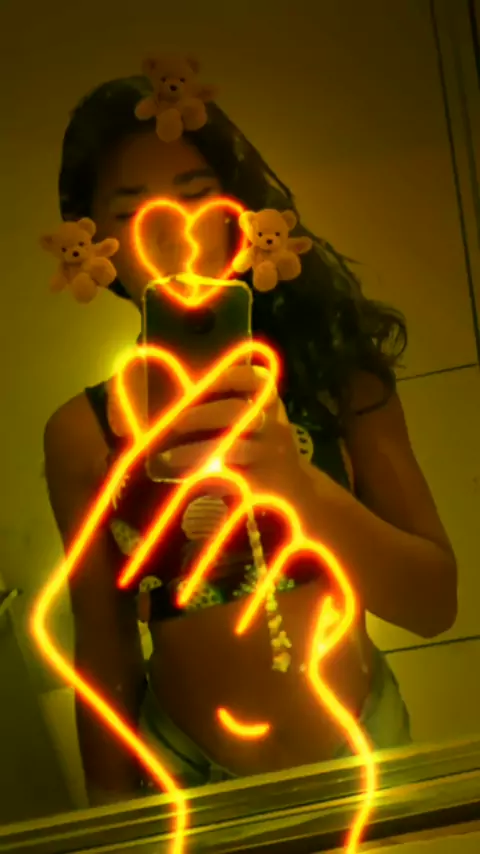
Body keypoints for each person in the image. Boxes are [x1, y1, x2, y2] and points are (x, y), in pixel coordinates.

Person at [43, 74, 458, 806]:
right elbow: (103, 645)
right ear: (95, 242)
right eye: (130, 209)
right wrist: (110, 812)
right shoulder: (83, 432)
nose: (171, 231)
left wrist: (300, 487)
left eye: (198, 194)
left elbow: (433, 605)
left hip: (362, 751)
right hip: (185, 778)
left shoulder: (336, 377)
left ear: (242, 211)